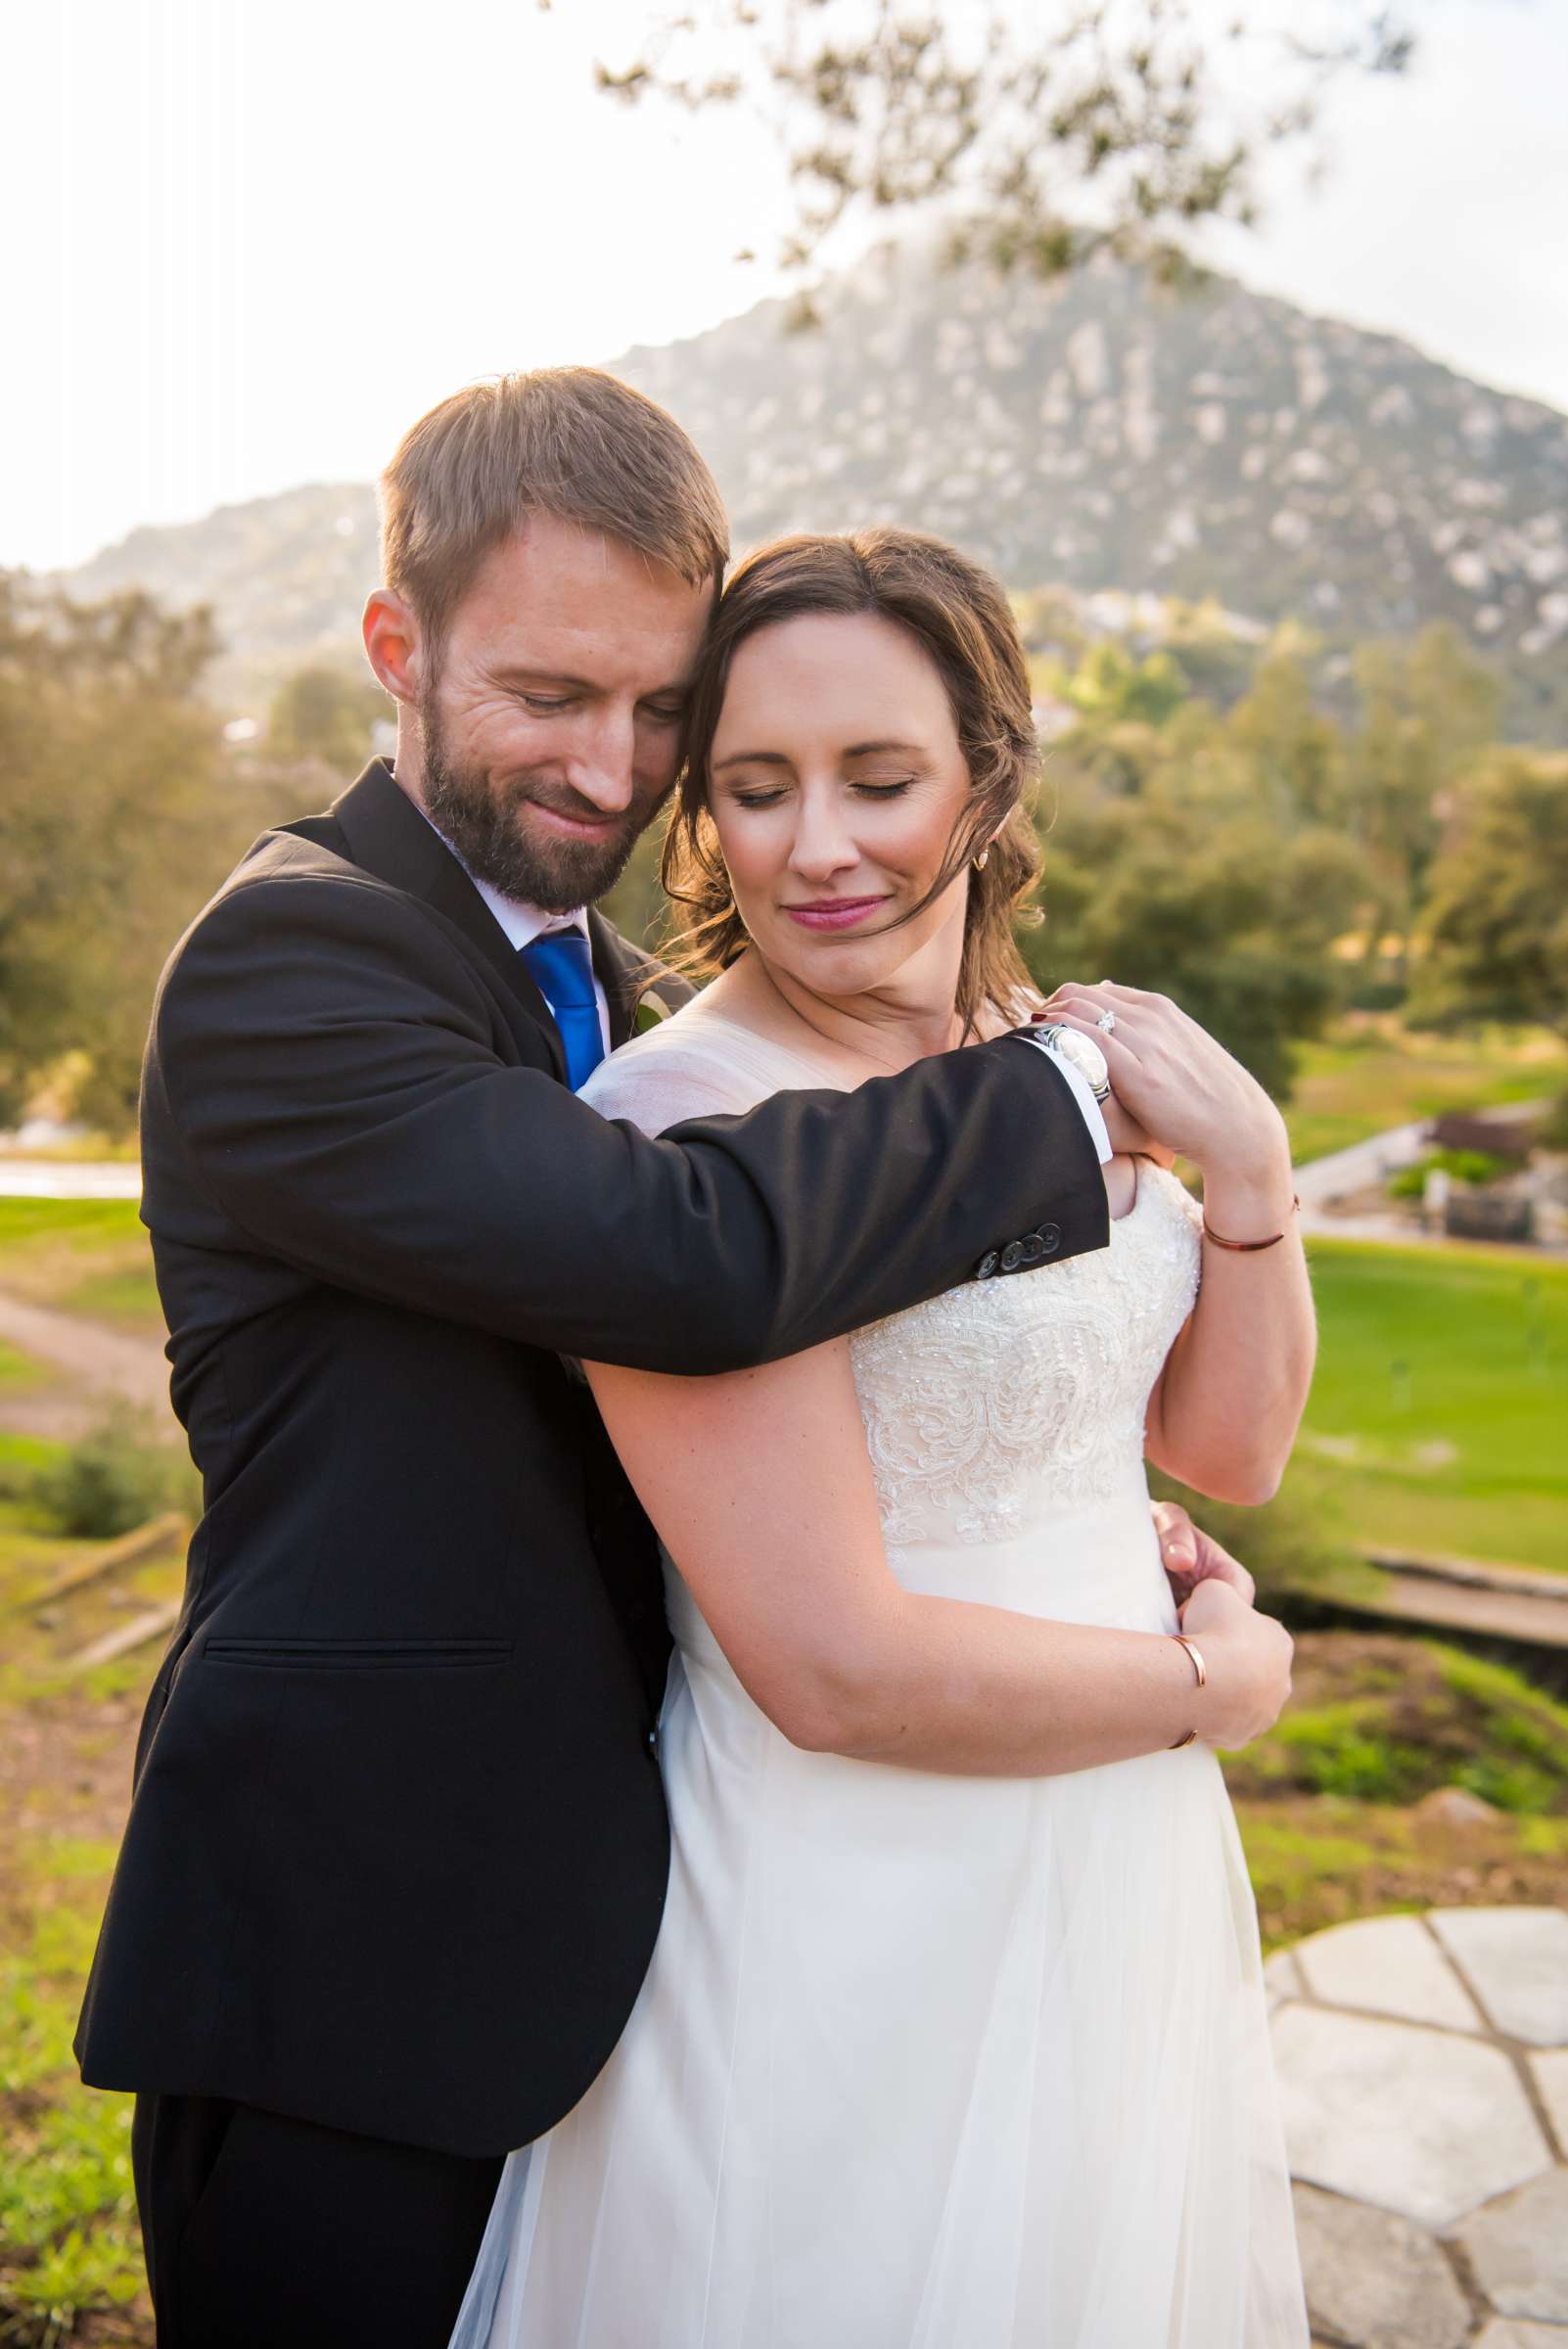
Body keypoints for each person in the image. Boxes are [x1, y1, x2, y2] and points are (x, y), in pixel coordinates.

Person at [71, 371, 1244, 2349]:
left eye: (660, 708)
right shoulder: (296, 960)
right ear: (396, 646)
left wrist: (1032, 1497)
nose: (614, 765)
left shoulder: (621, 996)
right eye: (549, 694)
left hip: (656, 1936)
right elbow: (684, 1257)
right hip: (353, 1948)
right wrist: (1073, 1084)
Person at [452, 529, 1313, 2347]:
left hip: (1113, 1852)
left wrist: (1247, 1179)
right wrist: (1212, 1691)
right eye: (754, 790)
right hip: (847, 1884)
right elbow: (829, 1671)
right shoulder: (678, 1132)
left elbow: (1221, 1453)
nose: (815, 846)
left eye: (878, 778)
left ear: (988, 779)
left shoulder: (1063, 1060)